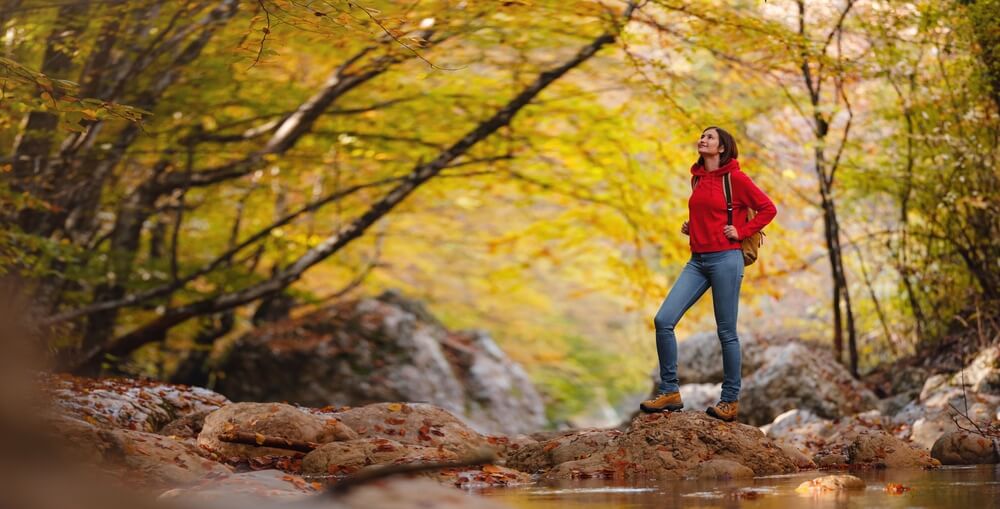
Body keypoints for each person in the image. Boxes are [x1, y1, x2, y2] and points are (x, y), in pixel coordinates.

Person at [639, 126, 777, 422]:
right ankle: (670, 391)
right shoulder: (697, 178)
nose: (703, 140)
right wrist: (693, 226)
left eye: (709, 137)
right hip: (697, 260)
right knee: (663, 320)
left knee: (726, 332)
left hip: (727, 259)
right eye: (702, 136)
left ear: (723, 147)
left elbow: (768, 208)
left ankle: (729, 400)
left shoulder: (736, 179)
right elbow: (710, 212)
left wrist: (741, 231)